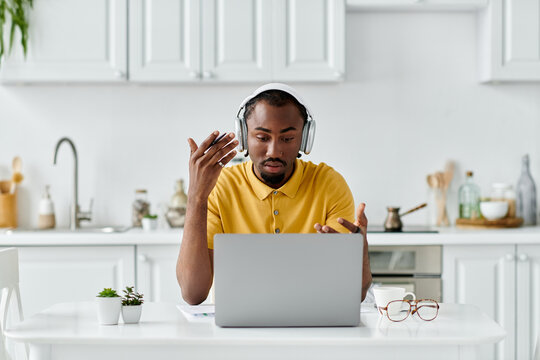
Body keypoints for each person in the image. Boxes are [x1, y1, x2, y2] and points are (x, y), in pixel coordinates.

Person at [176, 83, 372, 305]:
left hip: (310, 319)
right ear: (244, 136)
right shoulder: (221, 186)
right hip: (237, 327)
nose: (274, 151)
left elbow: (355, 295)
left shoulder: (329, 184)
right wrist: (196, 197)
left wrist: (359, 250)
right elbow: (193, 294)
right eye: (262, 137)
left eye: (287, 139)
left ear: (305, 138)